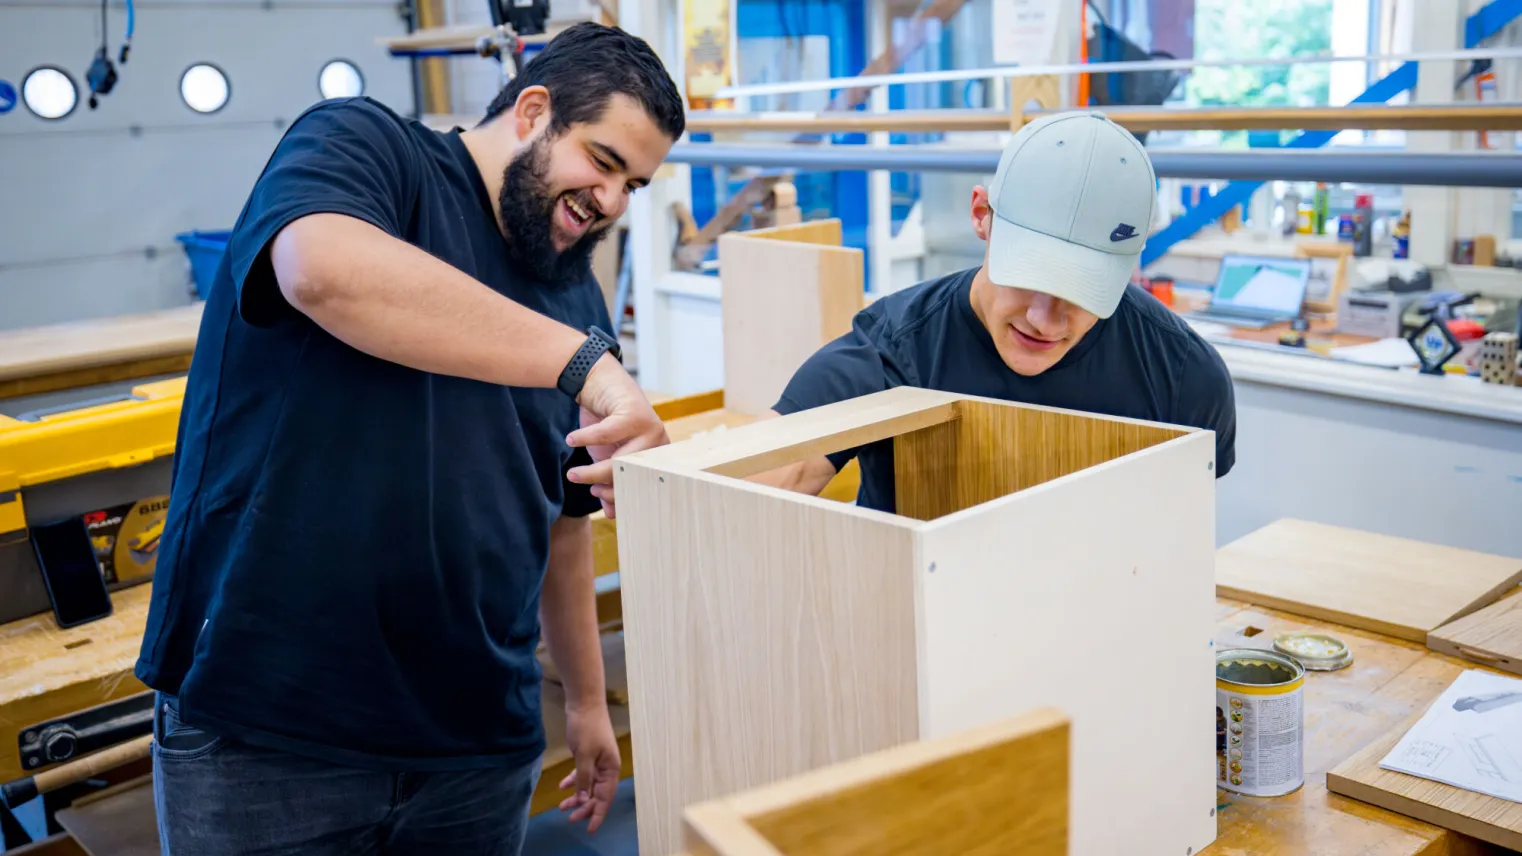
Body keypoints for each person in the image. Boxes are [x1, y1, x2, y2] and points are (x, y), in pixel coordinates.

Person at [134, 23, 684, 855]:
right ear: (534, 111)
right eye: (603, 163)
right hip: (269, 734)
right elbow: (321, 269)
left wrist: (582, 700)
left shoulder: (575, 294)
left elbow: (564, 525)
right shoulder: (366, 149)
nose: (611, 201)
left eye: (633, 186)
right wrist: (586, 367)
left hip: (475, 750)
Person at [757, 111, 1236, 508]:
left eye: (1083, 290)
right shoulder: (896, 347)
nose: (1044, 320)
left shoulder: (1184, 376)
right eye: (1029, 277)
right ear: (981, 215)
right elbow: (768, 475)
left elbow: (1180, 535)